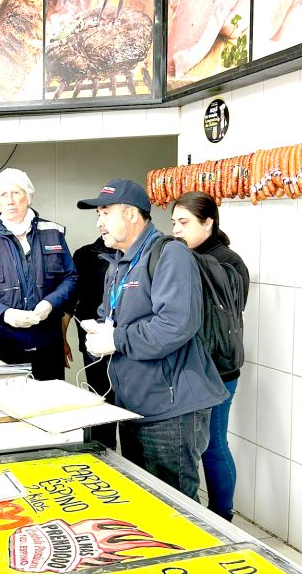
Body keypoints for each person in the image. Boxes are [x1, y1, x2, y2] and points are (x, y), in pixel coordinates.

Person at [77, 178, 228, 501]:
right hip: (133, 406)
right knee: (146, 503)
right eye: (98, 215)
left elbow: (175, 325)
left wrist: (117, 339)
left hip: (170, 411)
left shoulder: (170, 254)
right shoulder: (118, 264)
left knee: (175, 506)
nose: (99, 222)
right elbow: (110, 315)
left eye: (105, 213)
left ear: (131, 214)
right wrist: (98, 333)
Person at [172, 191, 250, 520]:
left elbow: (223, 314)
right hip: (197, 367)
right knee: (201, 444)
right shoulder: (192, 256)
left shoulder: (228, 262)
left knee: (213, 444)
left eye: (184, 222)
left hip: (219, 369)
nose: (176, 230)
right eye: (174, 223)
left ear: (208, 223)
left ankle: (222, 515)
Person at [0, 168, 77, 381]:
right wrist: (5, 313)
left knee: (51, 399)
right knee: (8, 399)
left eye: (16, 193)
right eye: (3, 195)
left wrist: (49, 304)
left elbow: (70, 277)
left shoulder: (52, 232)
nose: (10, 200)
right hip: (3, 342)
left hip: (47, 341)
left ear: (28, 196)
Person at [69, 236, 118, 450]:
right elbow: (72, 301)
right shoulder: (85, 255)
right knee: (102, 407)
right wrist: (63, 338)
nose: (101, 223)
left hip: (129, 345)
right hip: (95, 346)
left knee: (133, 417)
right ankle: (105, 455)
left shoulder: (148, 255)